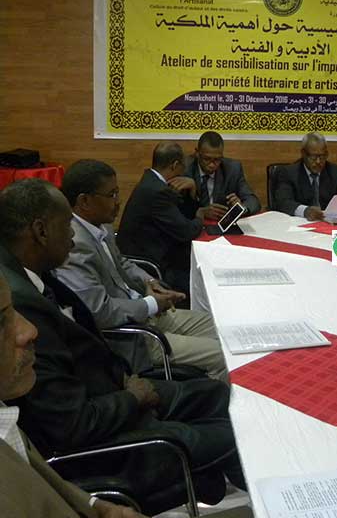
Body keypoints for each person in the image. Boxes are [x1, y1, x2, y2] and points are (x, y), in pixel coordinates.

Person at [0, 178, 246, 504]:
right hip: (106, 443)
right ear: (41, 231)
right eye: (67, 225)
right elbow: (70, 424)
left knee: (217, 394)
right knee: (239, 435)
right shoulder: (19, 303)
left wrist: (125, 383)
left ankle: (236, 483)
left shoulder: (30, 273)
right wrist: (131, 398)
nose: (72, 234)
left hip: (114, 393)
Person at [55, 159, 227, 380]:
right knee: (222, 355)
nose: (118, 201)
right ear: (84, 201)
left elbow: (122, 263)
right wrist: (151, 304)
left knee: (224, 329)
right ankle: (209, 398)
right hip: (133, 338)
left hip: (146, 314)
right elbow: (99, 311)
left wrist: (150, 282)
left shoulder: (101, 224)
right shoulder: (72, 244)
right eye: (112, 195)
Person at [1, 272, 148, 517]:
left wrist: (96, 506)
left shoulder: (4, 409)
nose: (29, 330)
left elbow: (40, 483)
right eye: (1, 320)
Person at [117, 142, 219, 295]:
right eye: (182, 166)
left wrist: (192, 189)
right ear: (175, 165)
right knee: (204, 282)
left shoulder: (152, 181)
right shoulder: (157, 191)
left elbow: (181, 215)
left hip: (152, 250)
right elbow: (186, 231)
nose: (184, 171)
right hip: (152, 264)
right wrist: (200, 216)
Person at [273, 132, 337, 220]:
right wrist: (305, 211)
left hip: (328, 223)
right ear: (303, 154)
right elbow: (283, 202)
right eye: (313, 157)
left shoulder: (336, 172)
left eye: (322, 157)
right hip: (299, 224)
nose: (318, 162)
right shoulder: (289, 173)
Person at [181, 130, 260, 218]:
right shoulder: (184, 169)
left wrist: (241, 208)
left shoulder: (232, 169)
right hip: (193, 222)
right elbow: (175, 207)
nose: (211, 165)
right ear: (197, 153)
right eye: (207, 159)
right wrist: (200, 212)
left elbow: (253, 201)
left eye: (217, 160)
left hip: (221, 222)